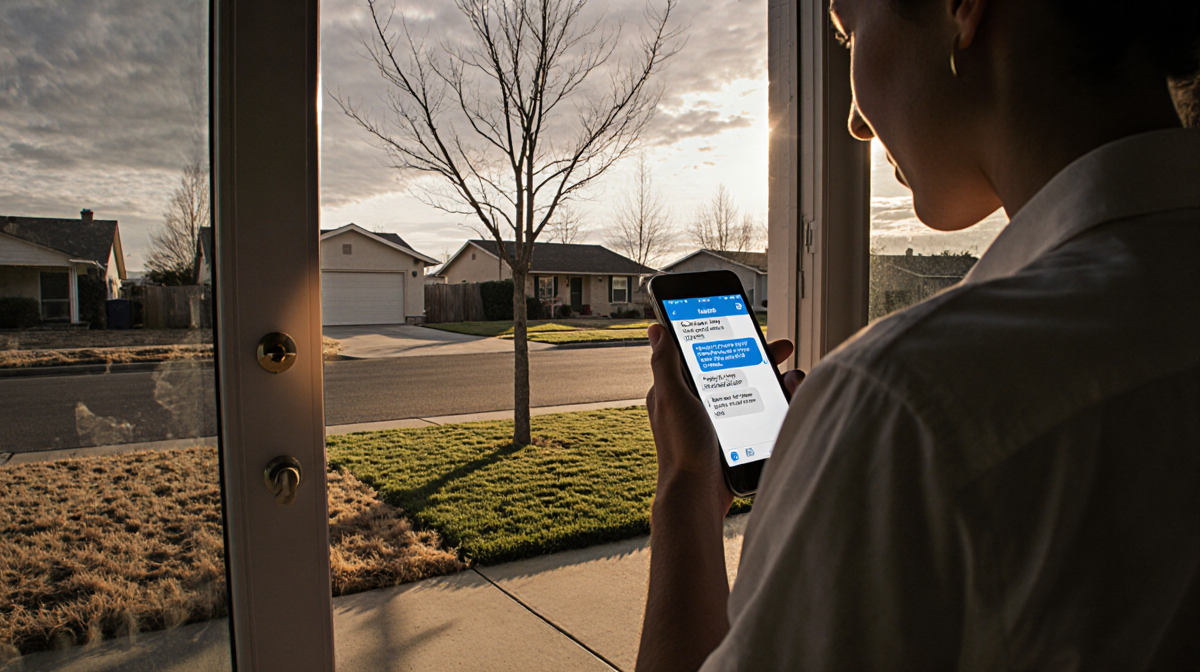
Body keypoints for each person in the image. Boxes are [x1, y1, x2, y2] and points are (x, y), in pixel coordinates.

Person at [637, 0, 1200, 669]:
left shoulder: (905, 404)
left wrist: (685, 487)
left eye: (847, 36)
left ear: (960, 8)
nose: (852, 118)